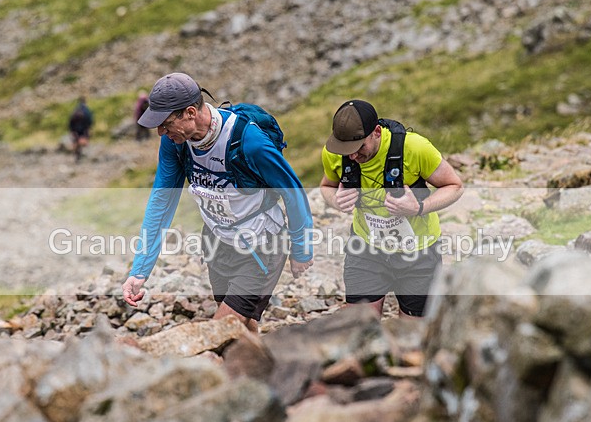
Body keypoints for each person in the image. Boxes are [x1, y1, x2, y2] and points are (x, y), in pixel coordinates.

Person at [122, 72, 314, 332]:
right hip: (217, 244)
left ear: (190, 113)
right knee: (241, 327)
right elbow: (162, 201)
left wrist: (301, 249)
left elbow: (293, 192)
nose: (160, 133)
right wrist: (139, 271)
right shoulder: (174, 143)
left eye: (165, 124)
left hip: (261, 246)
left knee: (219, 330)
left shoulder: (249, 142)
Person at [319, 99, 463, 319]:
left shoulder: (414, 148)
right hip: (366, 248)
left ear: (376, 132)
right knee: (359, 328)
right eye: (346, 150)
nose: (352, 156)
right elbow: (326, 187)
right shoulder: (334, 154)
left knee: (411, 334)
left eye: (359, 147)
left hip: (419, 251)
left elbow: (454, 186)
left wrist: (418, 207)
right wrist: (336, 201)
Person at [69, 97, 93, 162]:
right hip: (84, 129)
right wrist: (89, 128)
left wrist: (71, 130)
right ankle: (84, 156)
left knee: (76, 142)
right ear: (85, 102)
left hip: (75, 129)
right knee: (84, 141)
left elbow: (70, 120)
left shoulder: (75, 110)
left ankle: (77, 156)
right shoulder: (86, 110)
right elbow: (90, 120)